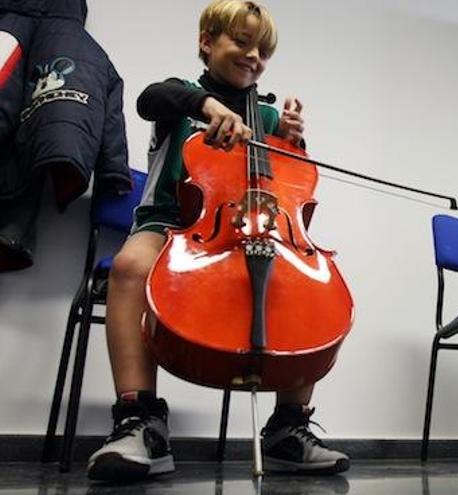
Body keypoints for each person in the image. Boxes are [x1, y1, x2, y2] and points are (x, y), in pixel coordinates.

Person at [87, 0, 348, 482]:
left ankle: (288, 430)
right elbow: (150, 98)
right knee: (128, 268)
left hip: (259, 231)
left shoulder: (266, 116)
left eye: (263, 50)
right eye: (242, 42)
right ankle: (139, 419)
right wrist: (206, 106)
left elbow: (288, 187)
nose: (254, 56)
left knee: (312, 291)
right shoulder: (181, 96)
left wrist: (291, 140)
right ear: (207, 43)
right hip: (171, 224)